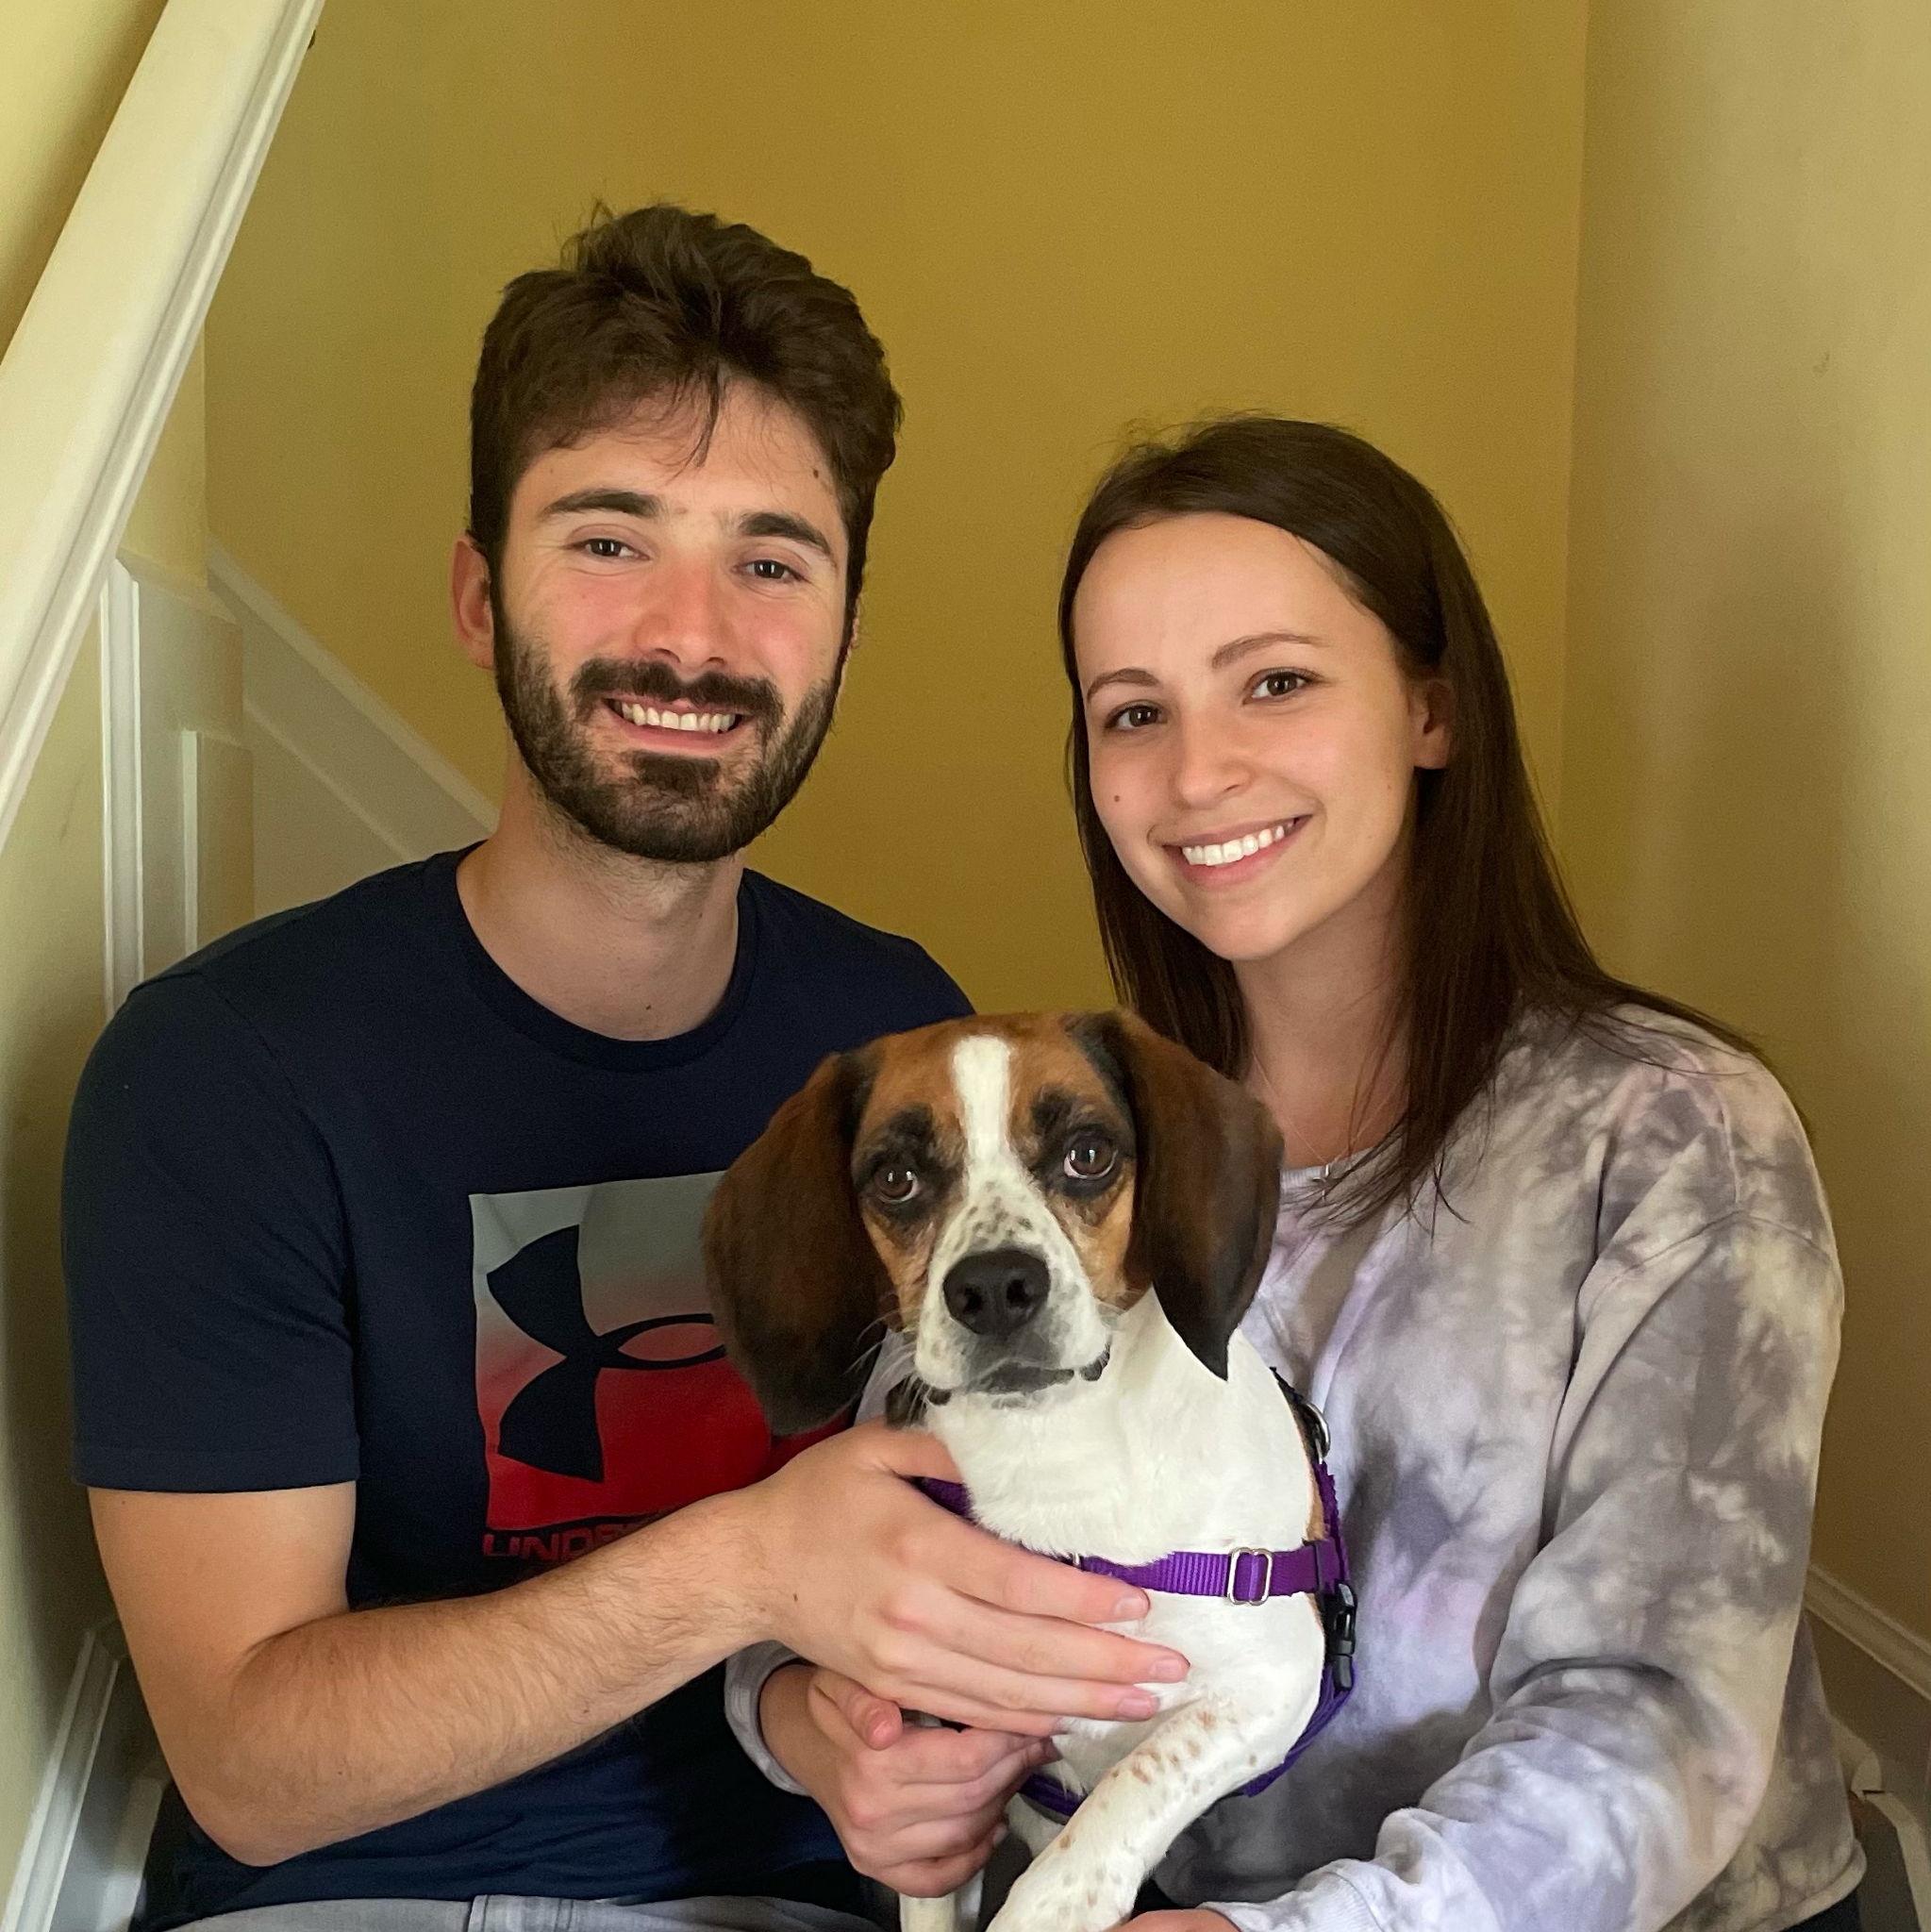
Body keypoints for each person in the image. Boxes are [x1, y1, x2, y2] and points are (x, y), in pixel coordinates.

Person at [60, 205, 1187, 1932]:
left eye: (773, 559)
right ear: (474, 590)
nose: (693, 634)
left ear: (842, 634)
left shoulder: (903, 1040)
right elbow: (248, 1765)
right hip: (360, 1906)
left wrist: (871, 1743)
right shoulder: (225, 1074)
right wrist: (744, 1566)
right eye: (609, 539)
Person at [737, 417, 1863, 1932]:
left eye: (1276, 680)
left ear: (1432, 705)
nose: (1202, 770)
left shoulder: (1667, 1143)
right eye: (1132, 713)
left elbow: (1655, 1732)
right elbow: (890, 1510)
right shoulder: (1098, 1138)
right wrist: (808, 1716)